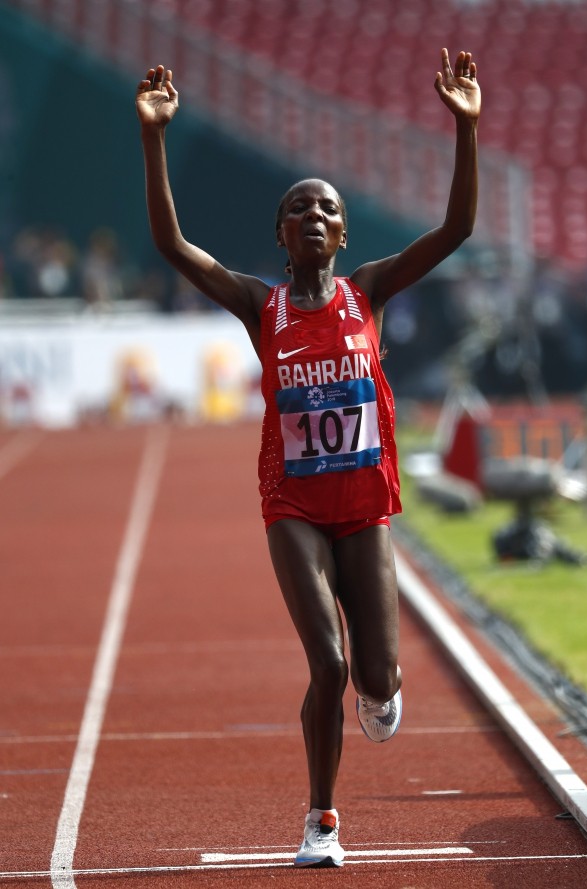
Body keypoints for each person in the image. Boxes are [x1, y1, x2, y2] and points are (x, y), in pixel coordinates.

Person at [136, 47, 480, 868]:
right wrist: (153, 140)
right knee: (326, 663)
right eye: (299, 209)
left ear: (344, 231)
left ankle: (379, 685)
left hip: (365, 506)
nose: (315, 215)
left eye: (328, 206)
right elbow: (175, 246)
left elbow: (458, 228)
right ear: (282, 236)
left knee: (378, 681)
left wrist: (466, 127)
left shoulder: (371, 290)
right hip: (292, 504)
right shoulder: (262, 305)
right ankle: (321, 817)